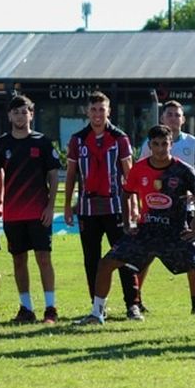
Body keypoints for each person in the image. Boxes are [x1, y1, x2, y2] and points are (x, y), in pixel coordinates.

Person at [77, 125, 195, 325]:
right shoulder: (140, 168)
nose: (161, 149)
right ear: (150, 145)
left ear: (171, 144)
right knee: (105, 264)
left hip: (174, 234)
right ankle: (97, 314)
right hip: (146, 232)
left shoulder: (184, 171)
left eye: (164, 144)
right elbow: (126, 193)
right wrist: (127, 223)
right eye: (156, 144)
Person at [0, 94, 61, 324]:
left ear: (31, 114)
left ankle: (50, 308)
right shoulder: (2, 144)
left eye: (24, 111)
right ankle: (26, 308)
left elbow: (53, 176)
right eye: (16, 112)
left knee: (44, 259)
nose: (20, 116)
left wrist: (50, 206)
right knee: (18, 261)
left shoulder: (42, 142)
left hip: (38, 213)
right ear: (9, 115)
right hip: (13, 214)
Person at [62, 91, 138, 319]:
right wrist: (67, 205)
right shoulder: (77, 139)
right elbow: (71, 174)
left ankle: (132, 304)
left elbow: (130, 175)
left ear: (109, 111)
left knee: (124, 256)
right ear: (87, 112)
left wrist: (133, 205)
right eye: (93, 109)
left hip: (116, 207)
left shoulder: (120, 138)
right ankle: (97, 308)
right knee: (91, 260)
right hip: (87, 209)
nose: (97, 114)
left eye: (101, 109)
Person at [135, 99, 195, 315]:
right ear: (162, 118)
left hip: (184, 211)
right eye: (169, 114)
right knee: (145, 255)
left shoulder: (193, 144)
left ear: (183, 119)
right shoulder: (149, 145)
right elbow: (141, 176)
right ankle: (135, 301)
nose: (173, 118)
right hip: (155, 212)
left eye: (177, 114)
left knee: (193, 255)